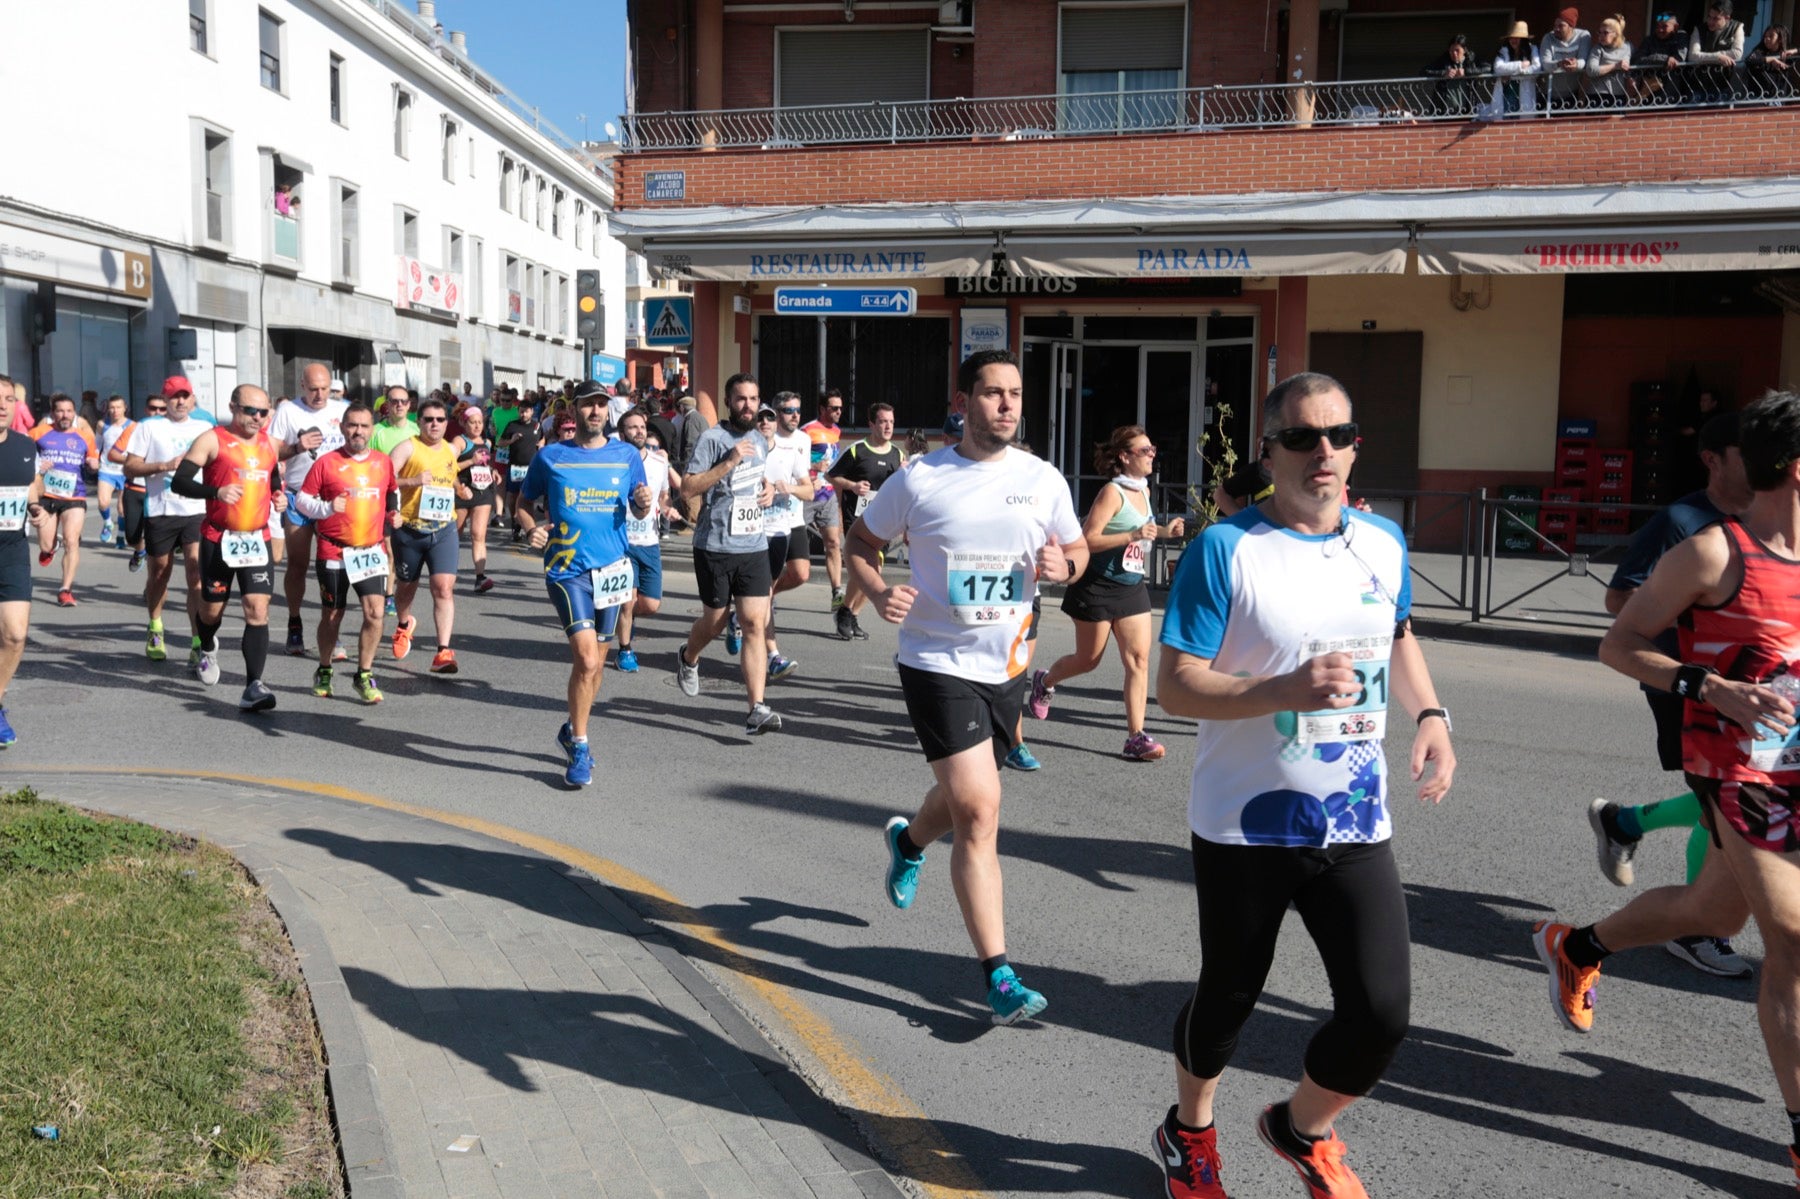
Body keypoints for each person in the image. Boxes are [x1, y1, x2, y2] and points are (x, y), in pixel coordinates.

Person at [1152, 371, 1455, 1199]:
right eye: (1302, 437)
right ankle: (1189, 1132)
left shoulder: (1383, 542)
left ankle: (1301, 1125)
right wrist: (1281, 689)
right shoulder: (1227, 548)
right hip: (1245, 824)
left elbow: (1396, 634)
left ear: (1356, 447)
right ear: (1270, 450)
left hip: (1354, 820)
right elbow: (1174, 686)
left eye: (1339, 435)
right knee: (1229, 999)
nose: (1323, 451)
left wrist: (1431, 714)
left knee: (1382, 1012)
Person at [1533, 390, 1800, 1190]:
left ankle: (1575, 946)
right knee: (1791, 936)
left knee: (1710, 913)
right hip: (1737, 772)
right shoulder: (1716, 554)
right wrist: (1708, 686)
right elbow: (1619, 642)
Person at [860, 351, 1085, 1024]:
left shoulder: (1043, 479)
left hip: (1008, 665)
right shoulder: (920, 477)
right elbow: (859, 544)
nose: (1008, 405)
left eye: (1016, 393)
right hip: (935, 661)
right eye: (993, 393)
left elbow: (1076, 554)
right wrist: (877, 593)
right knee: (981, 808)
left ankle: (907, 842)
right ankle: (1000, 974)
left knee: (964, 796)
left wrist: (1063, 564)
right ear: (965, 401)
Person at [1588, 412, 1754, 978]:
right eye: (1746, 449)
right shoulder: (1683, 521)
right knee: (1723, 805)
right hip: (1686, 682)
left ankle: (1625, 823)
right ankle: (1695, 929)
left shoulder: (1768, 518)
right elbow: (1620, 600)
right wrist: (1705, 622)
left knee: (1733, 798)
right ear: (1713, 458)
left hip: (1755, 691)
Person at [515, 383, 651, 787]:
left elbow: (638, 507)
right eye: (589, 404)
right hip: (566, 569)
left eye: (601, 405)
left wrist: (643, 503)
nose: (596, 411)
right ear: (575, 410)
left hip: (612, 572)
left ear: (609, 411)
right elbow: (524, 505)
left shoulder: (626, 455)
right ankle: (579, 744)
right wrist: (529, 529)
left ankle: (573, 726)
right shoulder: (551, 455)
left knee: (595, 667)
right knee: (587, 660)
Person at [1029, 426, 1186, 762]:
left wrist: (1163, 531)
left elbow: (1140, 533)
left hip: (1130, 587)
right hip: (1097, 585)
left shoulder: (1143, 490)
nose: (1151, 455)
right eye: (1144, 450)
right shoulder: (1111, 493)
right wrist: (1132, 533)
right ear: (1124, 457)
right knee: (1088, 660)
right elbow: (1087, 539)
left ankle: (1136, 737)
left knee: (1138, 661)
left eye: (1152, 448)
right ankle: (1046, 680)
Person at [676, 373, 781, 735]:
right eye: (741, 399)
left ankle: (757, 709)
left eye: (753, 399)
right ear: (728, 402)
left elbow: (758, 477)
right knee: (715, 622)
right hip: (714, 546)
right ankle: (689, 657)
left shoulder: (760, 439)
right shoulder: (712, 439)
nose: (748, 406)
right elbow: (688, 488)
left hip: (753, 545)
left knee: (754, 623)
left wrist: (767, 489)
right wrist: (728, 462)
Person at [170, 384, 285, 712]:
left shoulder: (268, 444)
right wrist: (215, 492)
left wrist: (278, 495)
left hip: (257, 538)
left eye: (264, 412)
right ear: (233, 407)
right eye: (251, 411)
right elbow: (180, 481)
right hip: (219, 538)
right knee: (211, 611)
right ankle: (206, 645)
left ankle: (254, 685)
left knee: (257, 609)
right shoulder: (211, 439)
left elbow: (271, 477)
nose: (258, 418)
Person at [294, 403, 399, 705]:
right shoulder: (327, 463)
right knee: (332, 615)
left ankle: (363, 674)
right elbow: (302, 501)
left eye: (364, 426)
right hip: (334, 551)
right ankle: (325, 668)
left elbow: (391, 490)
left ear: (372, 429)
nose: (358, 432)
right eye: (353, 425)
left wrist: (394, 512)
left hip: (370, 550)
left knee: (375, 613)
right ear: (342, 428)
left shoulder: (382, 462)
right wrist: (326, 508)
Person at [125, 376, 213, 664]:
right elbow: (130, 468)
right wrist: (164, 465)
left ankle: (197, 640)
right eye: (174, 396)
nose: (180, 401)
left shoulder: (204, 428)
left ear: (193, 399)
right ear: (165, 399)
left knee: (195, 574)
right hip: (161, 510)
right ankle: (155, 625)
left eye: (185, 395)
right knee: (160, 573)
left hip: (196, 510)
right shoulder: (149, 427)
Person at [272, 363, 348, 654]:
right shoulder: (288, 411)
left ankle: (332, 632)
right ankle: (294, 623)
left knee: (333, 568)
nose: (319, 395)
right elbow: (272, 450)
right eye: (313, 389)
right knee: (298, 565)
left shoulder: (342, 411)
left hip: (333, 499)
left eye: (325, 389)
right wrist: (297, 447)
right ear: (302, 386)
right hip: (297, 497)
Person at [387, 396, 465, 674]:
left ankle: (443, 651)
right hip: (410, 529)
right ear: (418, 422)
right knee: (406, 586)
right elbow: (383, 478)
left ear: (446, 423)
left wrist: (460, 489)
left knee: (443, 587)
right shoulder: (408, 447)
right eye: (428, 419)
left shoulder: (448, 449)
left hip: (443, 529)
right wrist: (412, 481)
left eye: (440, 419)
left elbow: (449, 474)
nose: (434, 424)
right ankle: (404, 623)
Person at [0, 375, 51, 747]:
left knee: (15, 635)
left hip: (11, 551)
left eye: (9, 399)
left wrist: (36, 507)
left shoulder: (24, 445)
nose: (3, 405)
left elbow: (31, 486)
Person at [829, 403, 906, 642]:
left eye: (891, 422)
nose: (887, 426)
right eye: (883, 421)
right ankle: (845, 612)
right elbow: (830, 475)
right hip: (858, 522)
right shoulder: (857, 450)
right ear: (872, 424)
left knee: (872, 571)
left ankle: (850, 613)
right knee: (872, 569)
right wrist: (852, 485)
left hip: (883, 523)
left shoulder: (898, 454)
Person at [613, 409, 680, 673]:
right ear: (622, 433)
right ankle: (625, 650)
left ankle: (621, 618)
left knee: (651, 604)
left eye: (642, 427)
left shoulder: (659, 463)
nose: (639, 431)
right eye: (632, 428)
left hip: (649, 541)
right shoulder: (614, 461)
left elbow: (664, 495)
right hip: (622, 542)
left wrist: (667, 509)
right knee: (628, 600)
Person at [760, 392, 815, 680]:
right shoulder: (763, 441)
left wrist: (789, 488)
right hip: (762, 526)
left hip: (792, 521)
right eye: (787, 410)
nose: (794, 415)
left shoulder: (802, 442)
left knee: (801, 574)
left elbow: (808, 488)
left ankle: (752, 605)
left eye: (797, 409)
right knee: (764, 592)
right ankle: (772, 656)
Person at [31, 394, 99, 608]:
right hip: (47, 495)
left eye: (69, 411)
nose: (65, 415)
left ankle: (65, 589)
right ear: (52, 413)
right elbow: (24, 457)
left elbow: (94, 459)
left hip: (75, 496)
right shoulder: (39, 433)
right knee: (44, 544)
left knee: (72, 541)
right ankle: (52, 546)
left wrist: (92, 464)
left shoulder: (83, 436)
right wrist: (38, 467)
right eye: (60, 411)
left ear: (74, 413)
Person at [801, 389, 847, 608]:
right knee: (786, 544)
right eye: (834, 408)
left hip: (827, 495)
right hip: (806, 494)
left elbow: (833, 465)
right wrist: (812, 468)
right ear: (822, 409)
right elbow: (793, 460)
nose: (839, 411)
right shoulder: (807, 430)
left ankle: (837, 592)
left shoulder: (837, 431)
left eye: (840, 408)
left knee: (833, 542)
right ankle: (766, 591)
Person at [453, 404, 497, 593]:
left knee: (478, 535)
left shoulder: (486, 443)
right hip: (463, 491)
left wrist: (493, 472)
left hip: (483, 493)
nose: (477, 426)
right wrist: (471, 461)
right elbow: (448, 466)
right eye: (473, 422)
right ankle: (447, 573)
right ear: (465, 423)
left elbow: (486, 465)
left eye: (480, 422)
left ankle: (480, 577)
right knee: (455, 535)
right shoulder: (460, 442)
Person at [1688, 0, 1746, 102]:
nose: (1710, 21)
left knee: (1721, 116)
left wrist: (1706, 57)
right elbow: (1692, 56)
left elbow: (1737, 54)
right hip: (1699, 84)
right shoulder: (1699, 29)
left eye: (1715, 19)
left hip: (1724, 85)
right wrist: (1718, 57)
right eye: (1709, 17)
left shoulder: (1737, 27)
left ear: (1727, 18)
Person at [95, 395, 131, 547]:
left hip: (125, 471)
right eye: (112, 407)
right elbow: (97, 445)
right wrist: (94, 459)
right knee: (103, 503)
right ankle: (108, 523)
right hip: (106, 469)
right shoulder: (102, 424)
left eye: (118, 407)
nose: (115, 411)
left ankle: (121, 536)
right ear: (108, 409)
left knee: (122, 509)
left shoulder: (132, 426)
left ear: (125, 408)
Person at [1541, 7, 1593, 107]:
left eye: (1561, 26)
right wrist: (1559, 63)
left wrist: (1576, 64)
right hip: (1548, 95)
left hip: (1573, 94)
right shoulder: (1548, 38)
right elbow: (1545, 64)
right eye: (1555, 25)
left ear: (1571, 26)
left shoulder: (1583, 36)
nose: (1556, 29)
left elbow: (1583, 60)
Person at [1635, 10, 1689, 102]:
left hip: (1671, 93)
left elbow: (1679, 58)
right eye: (1658, 26)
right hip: (1648, 92)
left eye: (1664, 26)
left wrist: (1651, 58)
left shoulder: (1681, 37)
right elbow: (1638, 59)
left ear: (1675, 27)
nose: (1660, 30)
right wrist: (1665, 59)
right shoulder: (1649, 40)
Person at [1423, 33, 1482, 115]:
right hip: (1444, 111)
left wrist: (1466, 72)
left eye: (1457, 50)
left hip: (1468, 111)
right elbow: (1424, 71)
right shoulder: (1443, 59)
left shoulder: (1471, 59)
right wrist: (1444, 73)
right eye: (1451, 51)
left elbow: (1488, 68)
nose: (1454, 53)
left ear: (1464, 50)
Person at [1585, 15, 1633, 106]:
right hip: (1597, 95)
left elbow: (1635, 62)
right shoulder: (1597, 49)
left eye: (1605, 33)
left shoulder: (1628, 47)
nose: (1601, 36)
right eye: (1599, 32)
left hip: (1619, 95)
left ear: (1616, 33)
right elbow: (1591, 70)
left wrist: (1632, 78)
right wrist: (1615, 66)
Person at [1746, 23, 1796, 96]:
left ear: (1780, 39)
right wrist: (1771, 59)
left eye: (1771, 36)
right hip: (1757, 96)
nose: (1767, 39)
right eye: (1765, 36)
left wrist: (1795, 50)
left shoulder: (1785, 54)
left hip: (1777, 97)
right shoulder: (1760, 51)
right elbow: (1749, 60)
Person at [369, 386, 418, 455]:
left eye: (404, 401)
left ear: (408, 405)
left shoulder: (418, 431)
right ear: (387, 404)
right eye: (395, 401)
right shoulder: (373, 432)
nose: (400, 404)